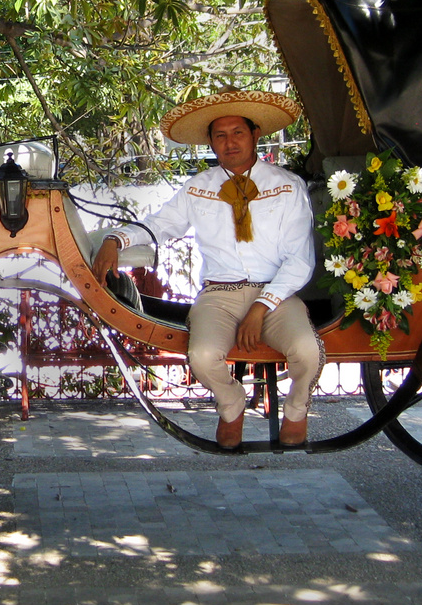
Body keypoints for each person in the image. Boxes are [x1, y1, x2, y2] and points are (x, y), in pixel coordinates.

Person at [91, 88, 323, 448]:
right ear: (211, 143)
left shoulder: (287, 187)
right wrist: (115, 240)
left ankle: (296, 409)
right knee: (200, 356)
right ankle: (231, 405)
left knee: (307, 350)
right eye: (220, 135)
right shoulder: (198, 188)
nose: (230, 143)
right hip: (220, 294)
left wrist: (261, 308)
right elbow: (159, 224)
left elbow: (300, 260)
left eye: (238, 133)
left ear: (255, 135)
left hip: (275, 293)